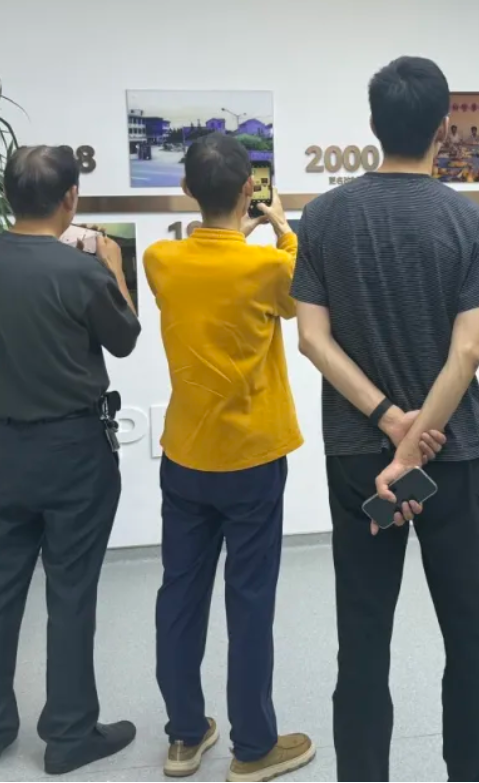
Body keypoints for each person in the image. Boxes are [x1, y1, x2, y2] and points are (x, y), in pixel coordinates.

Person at [292, 56, 479, 783]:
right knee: (469, 629)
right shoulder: (468, 221)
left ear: (373, 125)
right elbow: (467, 352)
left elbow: (311, 339)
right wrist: (415, 445)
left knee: (362, 634)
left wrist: (389, 423)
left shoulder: (323, 217)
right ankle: (472, 771)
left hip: (362, 460)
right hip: (453, 457)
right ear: (445, 127)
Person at [0, 146, 141, 776]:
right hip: (72, 450)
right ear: (71, 198)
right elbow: (125, 338)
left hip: (2, 447)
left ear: (7, 195)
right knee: (70, 592)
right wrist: (114, 266)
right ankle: (68, 736)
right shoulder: (82, 272)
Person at [142, 134, 315, 781]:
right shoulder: (267, 266)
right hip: (251, 459)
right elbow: (296, 299)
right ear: (250, 189)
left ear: (187, 189)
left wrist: (231, 232)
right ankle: (253, 746)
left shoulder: (161, 260)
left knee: (179, 597)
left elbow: (201, 264)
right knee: (250, 603)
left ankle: (184, 737)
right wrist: (283, 230)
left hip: (186, 457)